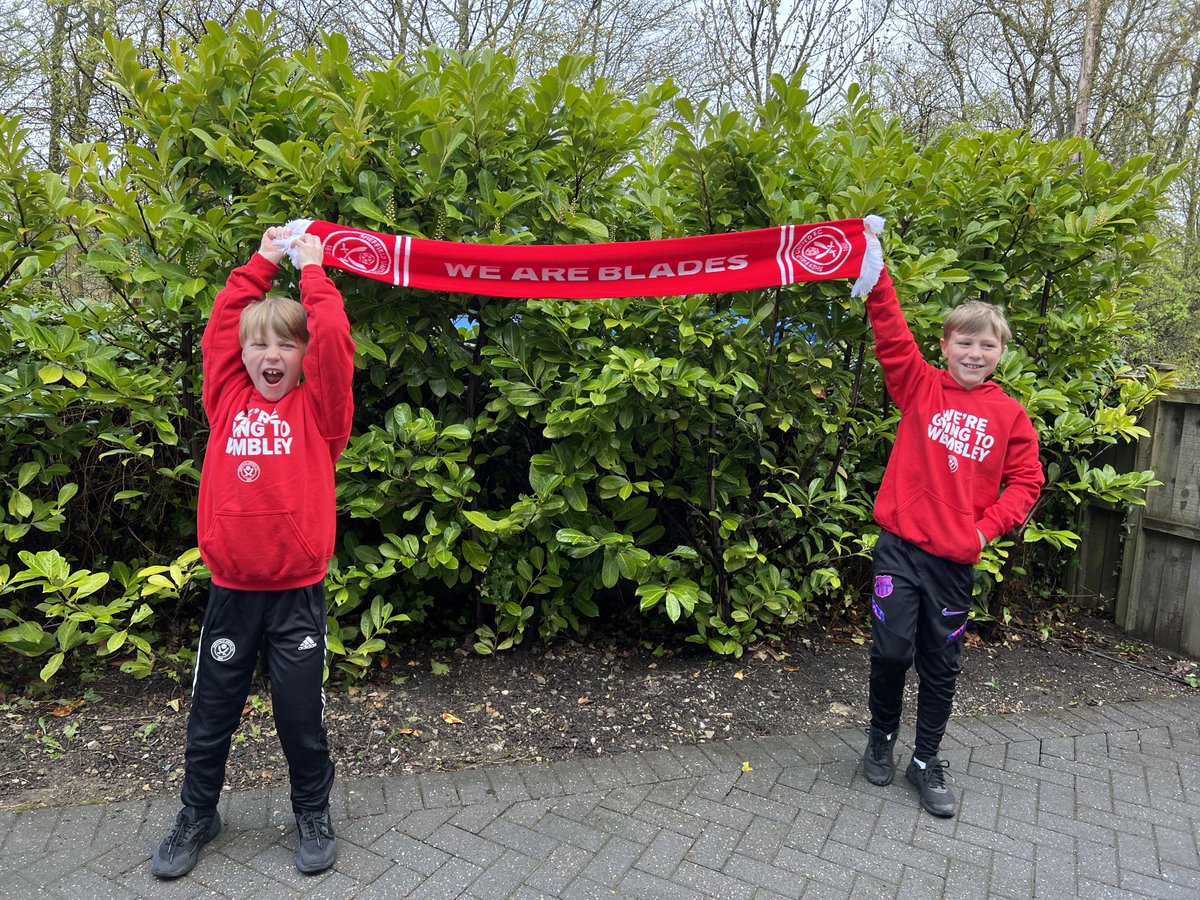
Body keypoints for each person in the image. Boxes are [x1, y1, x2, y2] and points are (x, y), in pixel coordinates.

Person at [151, 226, 355, 878]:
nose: (272, 354)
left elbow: (335, 347)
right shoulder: (227, 397)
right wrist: (266, 260)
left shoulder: (320, 412)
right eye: (259, 343)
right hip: (233, 593)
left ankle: (312, 812)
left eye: (287, 344)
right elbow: (221, 325)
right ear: (240, 356)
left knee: (300, 719)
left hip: (296, 594)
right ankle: (198, 812)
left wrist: (314, 272)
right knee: (212, 715)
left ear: (303, 356)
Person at [858, 256, 1043, 818]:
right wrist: (875, 273)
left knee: (941, 665)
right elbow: (891, 337)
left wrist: (984, 531)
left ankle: (926, 760)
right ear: (945, 345)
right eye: (965, 342)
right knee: (891, 653)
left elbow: (1029, 479)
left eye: (987, 346)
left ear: (1000, 354)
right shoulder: (919, 388)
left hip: (953, 564)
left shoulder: (1010, 415)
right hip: (900, 549)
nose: (975, 354)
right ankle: (881, 736)